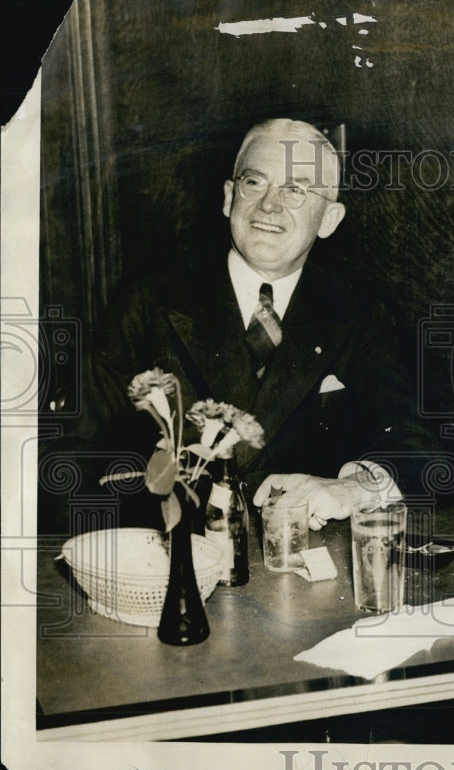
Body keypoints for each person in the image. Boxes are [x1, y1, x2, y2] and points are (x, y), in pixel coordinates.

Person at [64, 118, 433, 530]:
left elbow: (410, 442)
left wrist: (352, 488)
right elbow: (76, 453)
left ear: (329, 219)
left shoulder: (361, 312)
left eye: (295, 190)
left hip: (298, 565)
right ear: (228, 197)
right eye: (255, 183)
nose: (269, 205)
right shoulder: (149, 300)